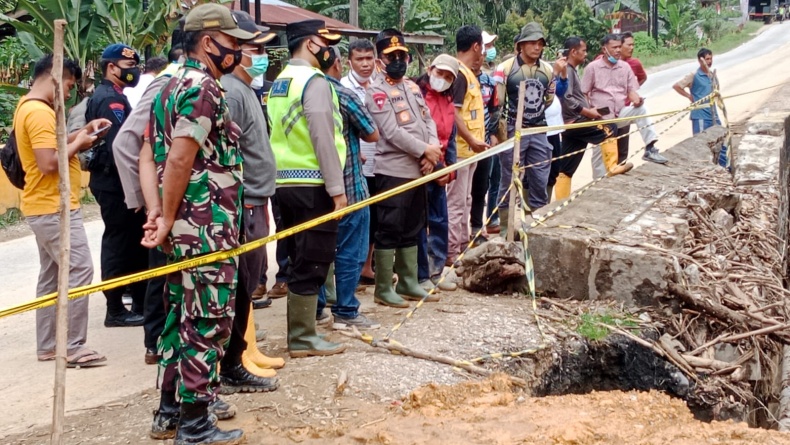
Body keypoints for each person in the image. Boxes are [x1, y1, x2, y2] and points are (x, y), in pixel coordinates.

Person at [142, 3, 256, 442]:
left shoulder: (167, 84)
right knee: (207, 321)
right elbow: (178, 158)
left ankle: (170, 410)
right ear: (208, 42)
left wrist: (158, 213)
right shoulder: (203, 87)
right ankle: (195, 424)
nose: (239, 51)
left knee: (180, 316)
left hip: (183, 228)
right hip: (204, 227)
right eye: (232, 43)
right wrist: (168, 215)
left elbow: (148, 154)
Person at [15, 55, 110, 367]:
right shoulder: (39, 112)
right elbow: (48, 163)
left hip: (42, 205)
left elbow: (53, 146)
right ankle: (72, 345)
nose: (69, 92)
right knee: (79, 269)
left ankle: (49, 344)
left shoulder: (28, 106)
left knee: (52, 276)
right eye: (69, 85)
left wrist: (81, 136)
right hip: (54, 206)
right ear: (54, 76)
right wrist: (79, 142)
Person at [267, 19, 348, 358]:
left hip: (284, 182)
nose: (329, 50)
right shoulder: (313, 81)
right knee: (314, 259)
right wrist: (337, 189)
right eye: (325, 43)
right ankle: (302, 336)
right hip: (313, 183)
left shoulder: (280, 81)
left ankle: (302, 333)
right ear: (311, 44)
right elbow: (322, 137)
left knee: (299, 256)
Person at [218, 10, 281, 392]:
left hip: (258, 197)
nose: (262, 56)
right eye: (255, 49)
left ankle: (241, 353)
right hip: (246, 201)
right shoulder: (230, 90)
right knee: (242, 282)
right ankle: (232, 361)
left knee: (250, 278)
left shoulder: (246, 89)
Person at [113, 44, 183, 365]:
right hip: (165, 199)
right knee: (161, 274)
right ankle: (155, 343)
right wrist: (144, 200)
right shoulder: (167, 84)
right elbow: (127, 144)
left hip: (181, 200)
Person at [365, 29, 442, 308]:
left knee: (413, 227)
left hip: (419, 170)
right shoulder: (376, 91)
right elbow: (391, 132)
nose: (398, 60)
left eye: (402, 55)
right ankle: (384, 288)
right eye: (391, 56)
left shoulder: (412, 86)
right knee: (389, 229)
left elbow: (428, 120)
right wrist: (425, 150)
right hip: (393, 171)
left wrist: (432, 150)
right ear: (380, 60)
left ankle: (408, 282)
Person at [316, 46, 382, 330]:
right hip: (350, 185)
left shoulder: (297, 92)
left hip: (313, 186)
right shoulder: (343, 94)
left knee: (317, 251)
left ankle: (316, 308)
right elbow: (372, 133)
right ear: (339, 64)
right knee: (350, 251)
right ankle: (345, 309)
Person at [85, 43, 148, 327]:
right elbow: (118, 148)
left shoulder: (114, 95)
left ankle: (138, 302)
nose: (134, 71)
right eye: (129, 66)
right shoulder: (110, 99)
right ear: (111, 67)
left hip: (115, 181)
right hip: (114, 182)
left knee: (133, 242)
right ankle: (115, 309)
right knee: (118, 243)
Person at [491, 22, 567, 233]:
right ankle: (506, 229)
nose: (537, 47)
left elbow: (548, 99)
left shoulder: (547, 70)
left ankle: (534, 228)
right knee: (509, 181)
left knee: (540, 180)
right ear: (521, 45)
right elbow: (498, 102)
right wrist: (498, 132)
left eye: (540, 43)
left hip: (538, 130)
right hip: (513, 131)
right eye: (532, 43)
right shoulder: (505, 69)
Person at [584, 34, 667, 179]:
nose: (617, 50)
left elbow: (631, 91)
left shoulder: (625, 67)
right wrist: (589, 112)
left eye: (619, 47)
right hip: (601, 117)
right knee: (599, 153)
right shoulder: (592, 68)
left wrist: (637, 100)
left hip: (620, 113)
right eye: (614, 47)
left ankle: (650, 148)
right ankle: (598, 182)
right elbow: (584, 92)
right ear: (604, 49)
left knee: (642, 109)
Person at [553, 37, 620, 199]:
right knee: (609, 128)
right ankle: (612, 167)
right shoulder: (567, 71)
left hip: (570, 125)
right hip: (574, 121)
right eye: (583, 51)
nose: (585, 54)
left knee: (566, 167)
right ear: (573, 52)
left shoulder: (571, 70)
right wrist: (588, 113)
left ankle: (560, 202)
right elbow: (567, 98)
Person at [415, 54, 459, 292]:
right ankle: (420, 274)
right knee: (419, 224)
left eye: (448, 77)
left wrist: (450, 171)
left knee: (440, 220)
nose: (442, 79)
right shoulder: (415, 94)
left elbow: (450, 140)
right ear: (430, 69)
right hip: (418, 167)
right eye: (439, 73)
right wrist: (426, 158)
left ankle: (436, 272)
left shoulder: (449, 102)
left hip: (439, 169)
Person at [447, 25, 488, 264]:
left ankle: (463, 245)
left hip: (471, 151)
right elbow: (453, 113)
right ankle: (451, 251)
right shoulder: (460, 74)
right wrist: (471, 139)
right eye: (482, 47)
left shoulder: (468, 73)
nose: (483, 52)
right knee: (456, 202)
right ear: (475, 46)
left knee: (466, 200)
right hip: (461, 150)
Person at [341, 38, 379, 286]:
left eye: (369, 58)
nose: (365, 64)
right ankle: (348, 274)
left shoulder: (379, 86)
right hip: (353, 167)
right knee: (352, 221)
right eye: (359, 59)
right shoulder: (343, 88)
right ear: (349, 62)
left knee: (374, 219)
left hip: (378, 163)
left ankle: (367, 267)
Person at [673, 48, 728, 167]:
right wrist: (689, 96)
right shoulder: (694, 75)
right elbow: (677, 86)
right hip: (700, 116)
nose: (709, 62)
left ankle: (724, 167)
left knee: (722, 142)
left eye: (711, 59)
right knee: (701, 145)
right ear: (700, 60)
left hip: (713, 115)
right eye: (707, 59)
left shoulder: (712, 75)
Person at [470, 34, 501, 244]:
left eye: (484, 52)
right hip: (463, 143)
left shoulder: (489, 82)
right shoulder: (459, 79)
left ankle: (476, 227)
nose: (480, 57)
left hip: (484, 142)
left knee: (482, 185)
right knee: (461, 191)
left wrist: (492, 134)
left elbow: (494, 110)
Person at [620, 32, 667, 165]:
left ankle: (650, 148)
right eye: (628, 45)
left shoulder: (633, 64)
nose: (632, 48)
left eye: (633, 45)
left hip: (624, 109)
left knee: (622, 149)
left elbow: (642, 78)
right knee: (604, 151)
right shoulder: (602, 63)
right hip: (607, 113)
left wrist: (632, 92)